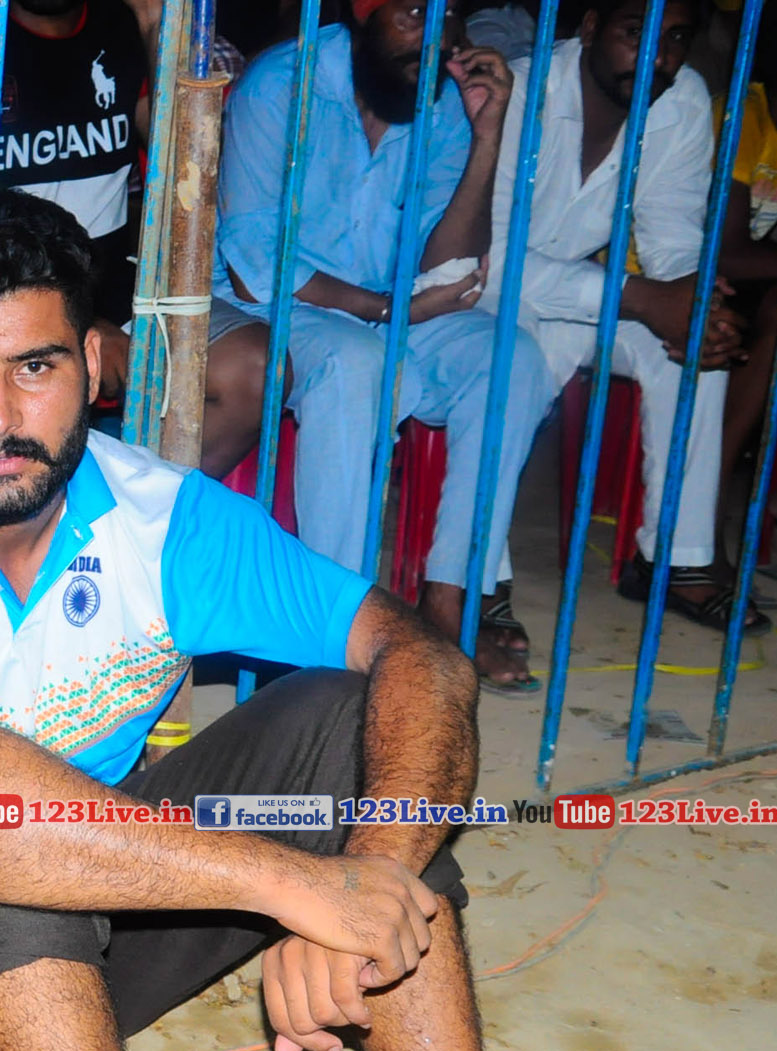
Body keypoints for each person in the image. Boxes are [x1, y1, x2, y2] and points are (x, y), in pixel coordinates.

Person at [0, 189, 526, 1051]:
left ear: (94, 367)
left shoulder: (163, 519)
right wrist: (291, 884)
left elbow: (423, 655)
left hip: (98, 927)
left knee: (358, 722)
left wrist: (369, 879)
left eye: (35, 367)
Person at [215, 0, 554, 694]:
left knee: (510, 359)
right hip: (276, 308)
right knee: (354, 362)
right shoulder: (281, 86)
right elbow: (253, 261)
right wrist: (384, 309)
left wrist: (487, 136)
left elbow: (448, 261)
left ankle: (449, 601)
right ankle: (332, 631)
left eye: (447, 16)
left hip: (387, 307)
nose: (435, 37)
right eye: (412, 14)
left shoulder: (442, 99)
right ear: (361, 13)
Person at [482, 0, 769, 634]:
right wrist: (638, 297)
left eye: (676, 38)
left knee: (695, 348)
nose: (657, 57)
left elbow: (672, 236)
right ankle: (477, 577)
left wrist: (695, 302)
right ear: (589, 28)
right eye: (636, 32)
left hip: (582, 293)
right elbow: (487, 259)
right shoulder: (519, 94)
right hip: (481, 298)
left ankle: (677, 559)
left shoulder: (680, 99)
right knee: (517, 356)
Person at [0, 0, 275, 478]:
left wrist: (153, 25)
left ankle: (137, 508)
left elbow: (185, 164)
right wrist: (80, 320)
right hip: (2, 298)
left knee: (258, 369)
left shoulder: (118, 28)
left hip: (114, 289)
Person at [715, 12, 777, 555]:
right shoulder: (745, 114)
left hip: (743, 279)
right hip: (673, 272)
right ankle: (708, 493)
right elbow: (725, 251)